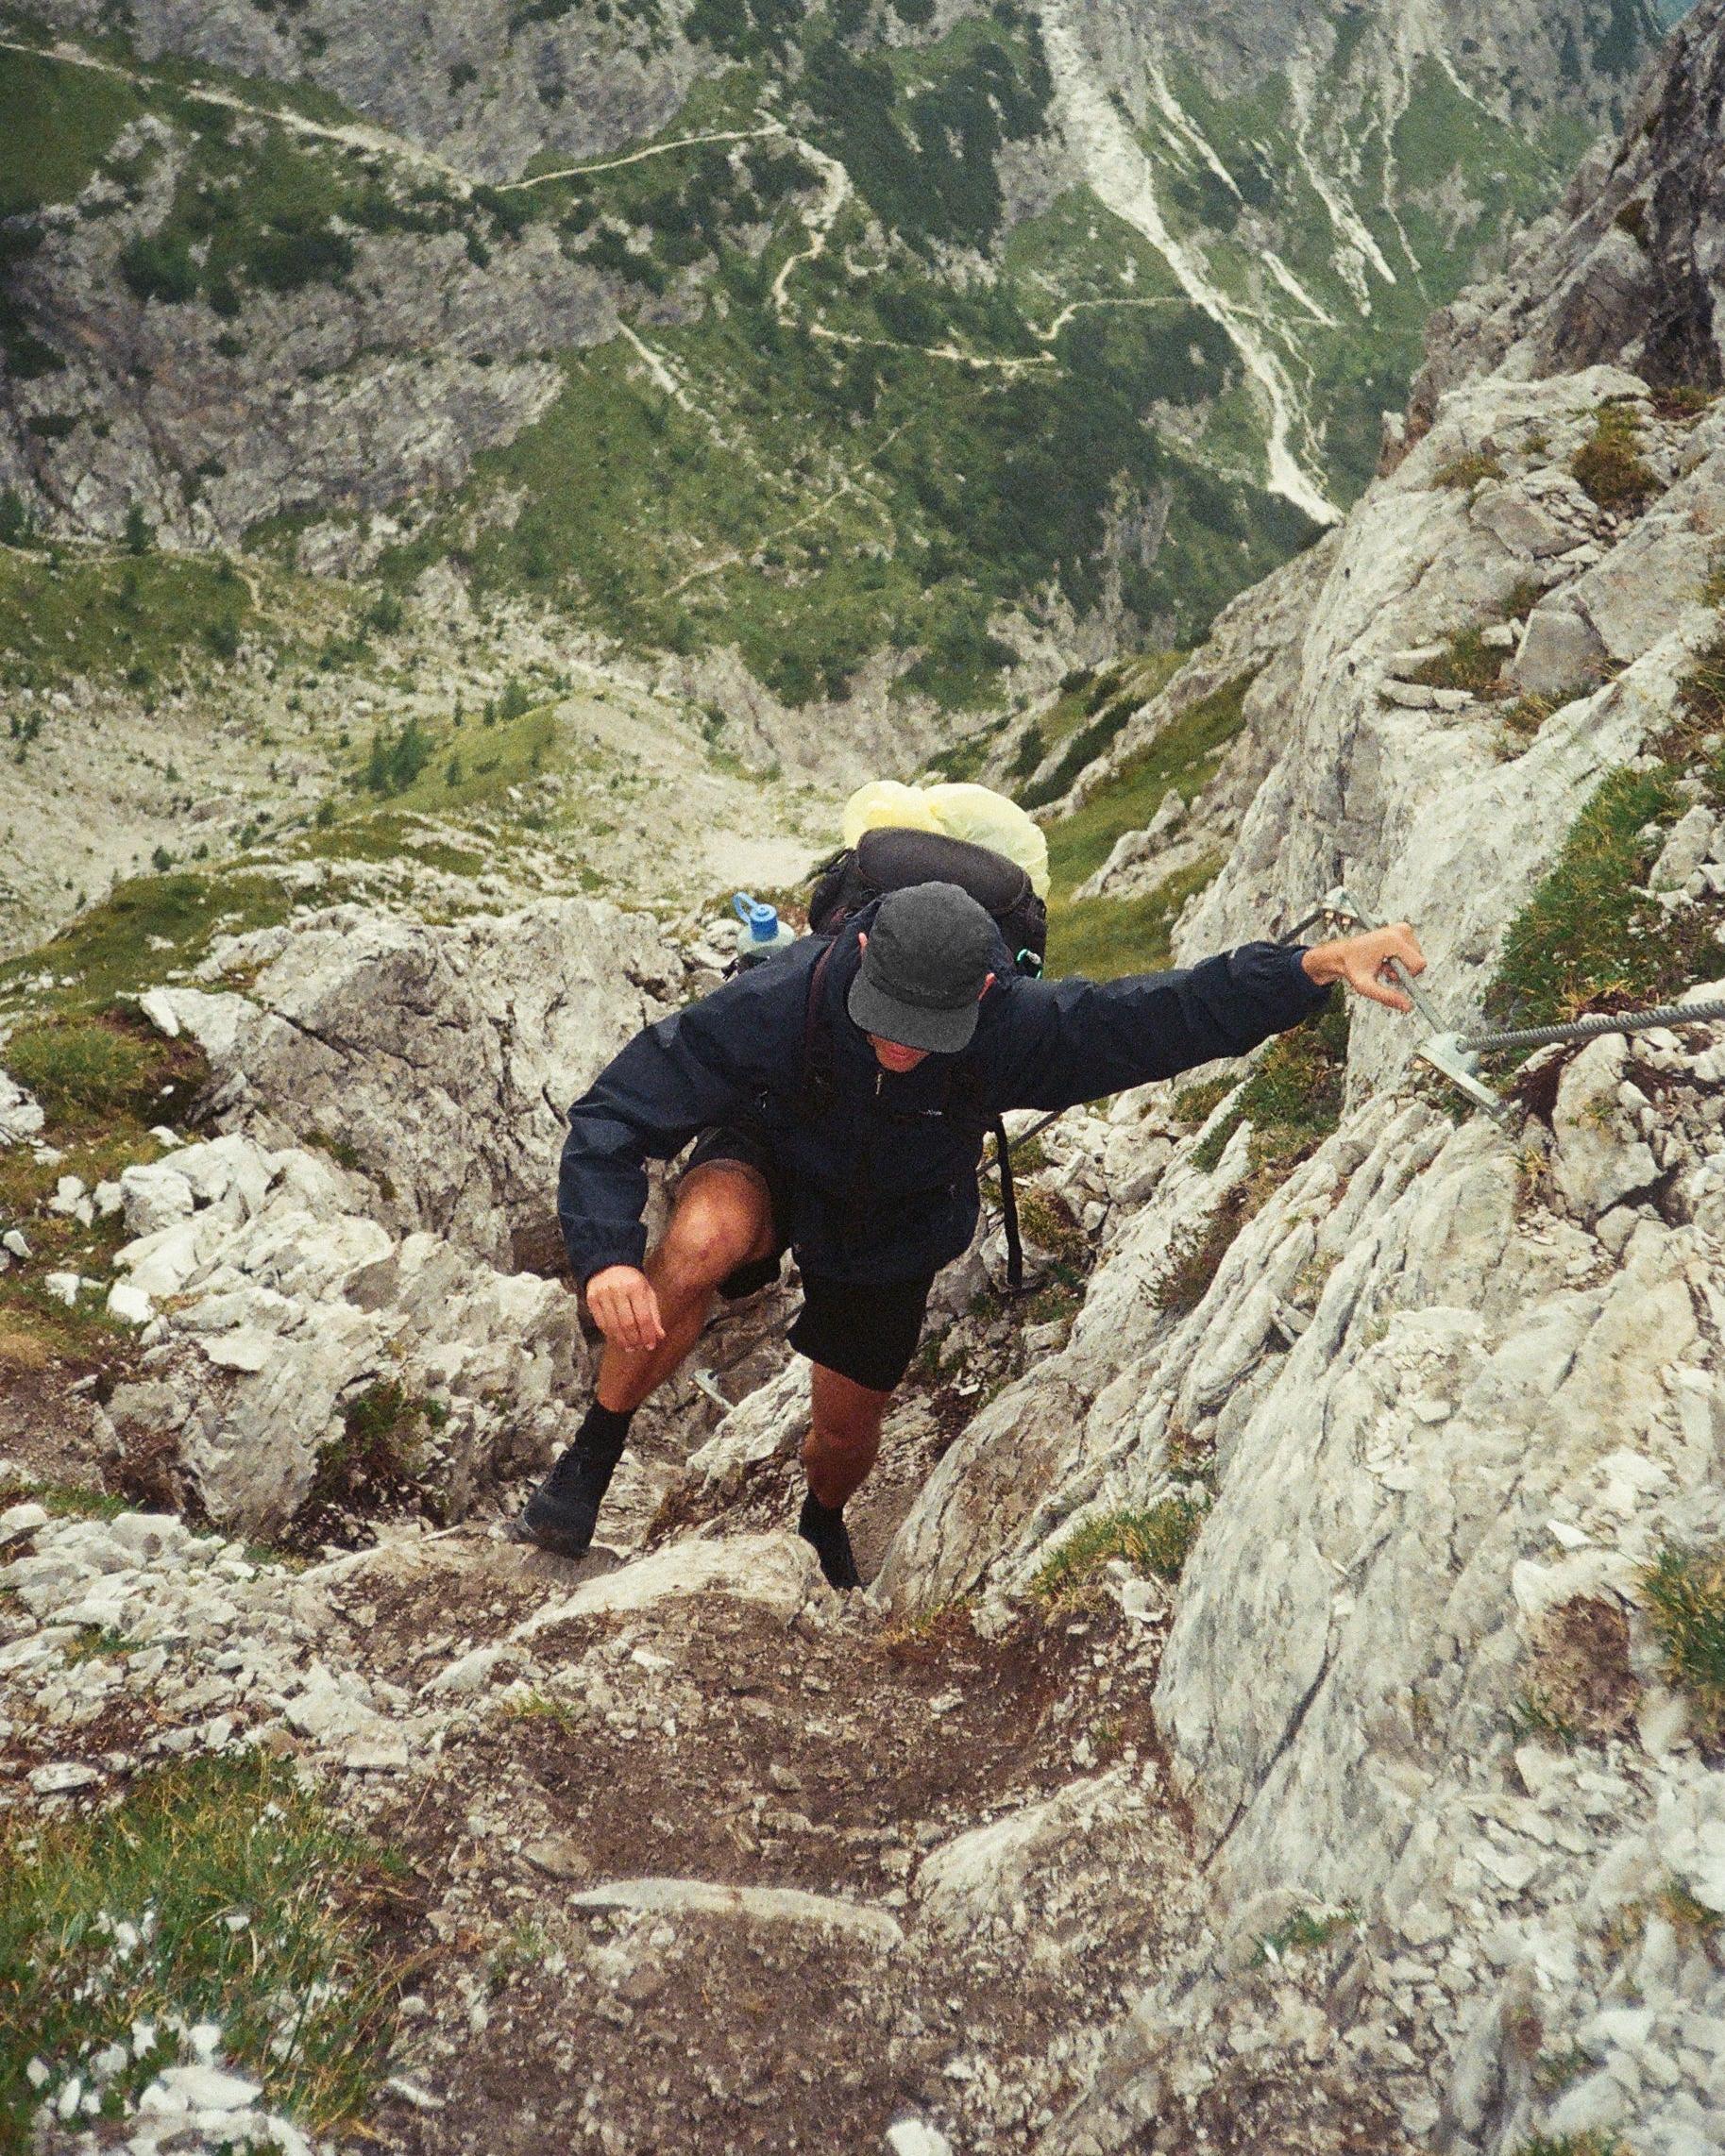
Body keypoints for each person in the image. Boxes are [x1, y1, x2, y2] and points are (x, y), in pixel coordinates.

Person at [519, 883, 1426, 1587]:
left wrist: (1309, 967)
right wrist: (604, 1257)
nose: (901, 1048)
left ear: (985, 990)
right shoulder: (777, 998)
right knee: (697, 1245)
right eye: (887, 1022)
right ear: (859, 953)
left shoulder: (1012, 1023)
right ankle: (592, 1455)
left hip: (894, 1213)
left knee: (843, 1435)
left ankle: (822, 1521)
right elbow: (616, 1113)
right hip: (770, 1149)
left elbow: (1155, 1018)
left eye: (927, 1032)